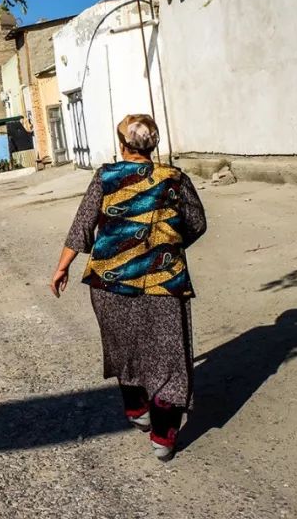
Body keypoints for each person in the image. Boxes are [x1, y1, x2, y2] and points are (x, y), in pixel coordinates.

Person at [50, 114, 207, 461]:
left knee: (125, 348)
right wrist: (166, 250)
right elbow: (197, 223)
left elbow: (82, 227)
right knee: (168, 360)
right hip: (164, 284)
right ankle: (164, 438)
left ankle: (137, 410)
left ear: (122, 145)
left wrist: (62, 267)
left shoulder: (105, 177)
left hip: (109, 285)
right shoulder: (175, 179)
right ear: (154, 145)